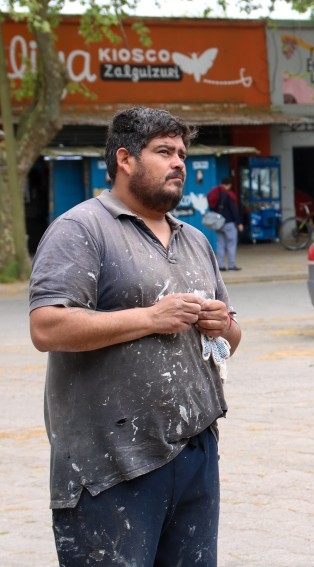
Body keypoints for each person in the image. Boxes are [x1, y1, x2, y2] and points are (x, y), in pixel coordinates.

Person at [29, 106, 242, 566]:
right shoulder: (81, 229)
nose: (179, 163)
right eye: (164, 151)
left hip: (195, 452)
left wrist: (221, 323)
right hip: (111, 464)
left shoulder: (194, 240)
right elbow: (46, 326)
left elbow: (231, 338)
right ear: (125, 159)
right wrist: (149, 318)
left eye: (182, 153)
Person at [207, 176, 243, 271]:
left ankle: (220, 265)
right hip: (229, 223)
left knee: (221, 244)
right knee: (231, 244)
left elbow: (212, 207)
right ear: (229, 185)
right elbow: (233, 210)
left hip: (219, 223)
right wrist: (239, 223)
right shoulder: (228, 195)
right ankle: (231, 265)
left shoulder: (216, 193)